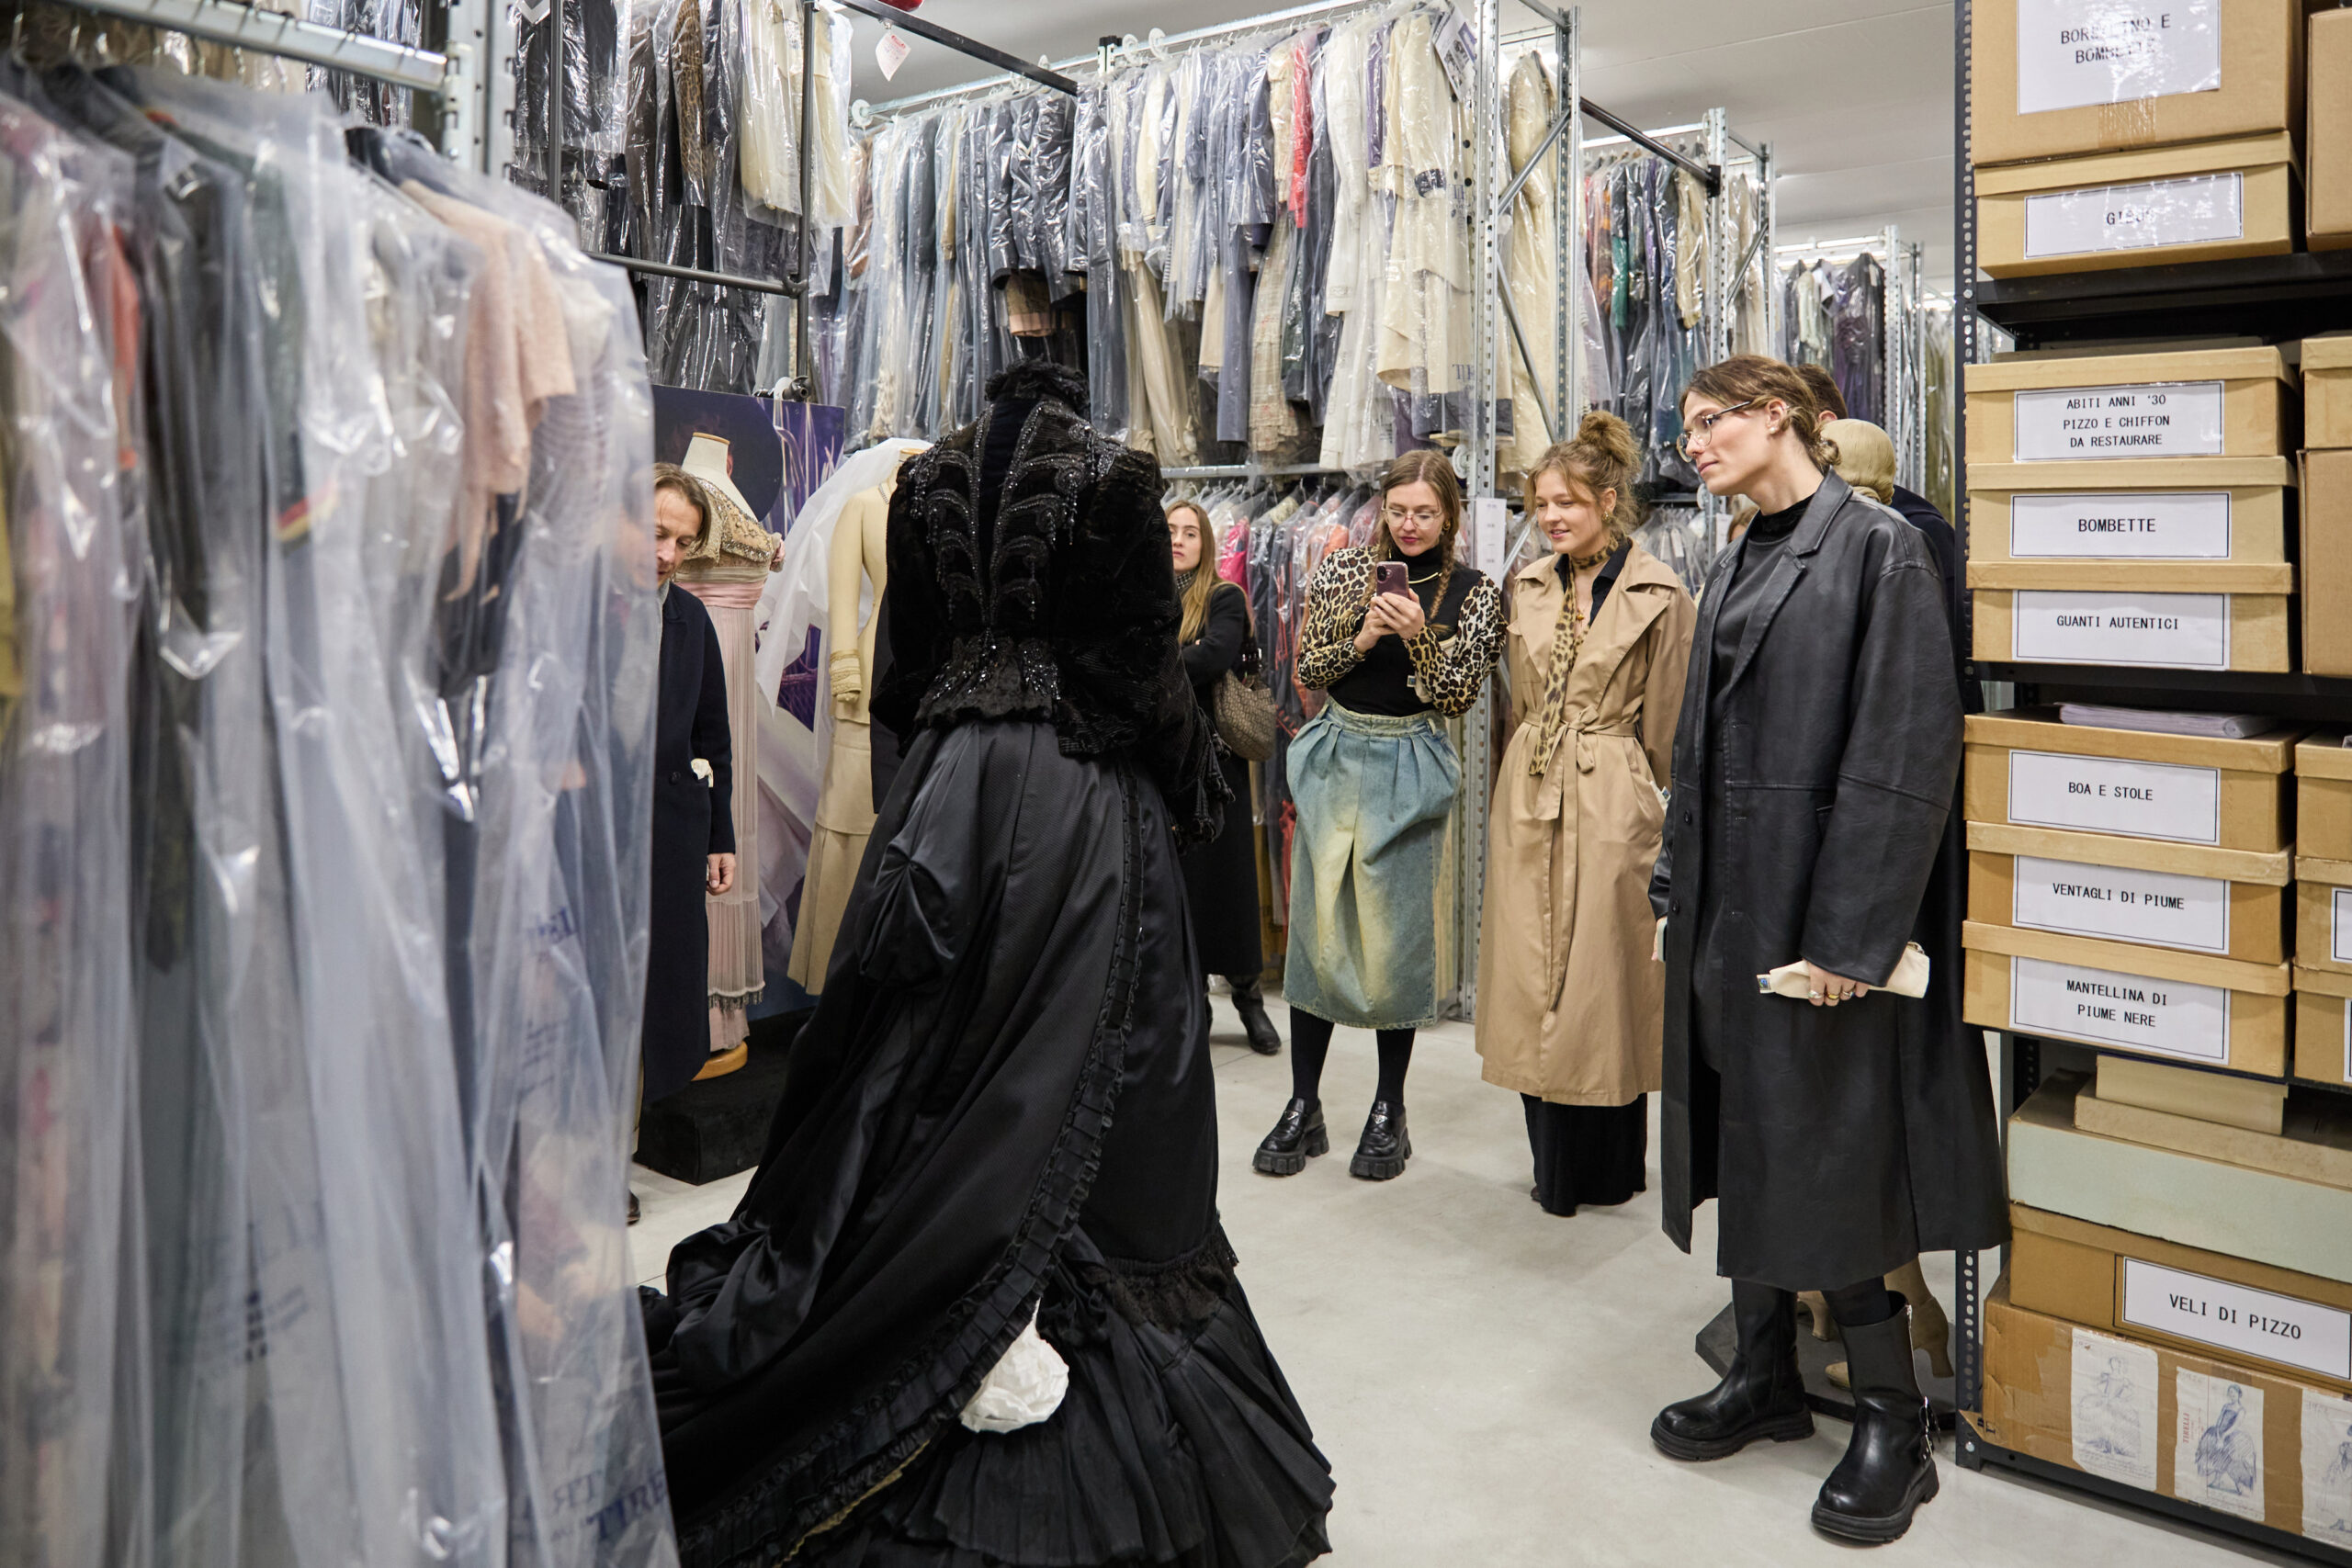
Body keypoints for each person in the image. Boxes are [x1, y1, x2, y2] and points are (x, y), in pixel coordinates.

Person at [641, 360, 1334, 1568]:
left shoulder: (928, 480)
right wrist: (1185, 786)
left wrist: (939, 770)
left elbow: (908, 664)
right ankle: (1032, 1310)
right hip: (1079, 796)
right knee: (1108, 1064)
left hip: (956, 785)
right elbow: (1134, 662)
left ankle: (963, 1281)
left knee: (927, 1052)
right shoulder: (1117, 477)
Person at [1646, 355, 2003, 1546]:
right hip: (1729, 911)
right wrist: (1673, 884)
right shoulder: (1741, 548)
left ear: (1779, 418)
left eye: (1711, 422)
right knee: (1749, 1130)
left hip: (1820, 926)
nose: (1692, 443)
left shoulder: (1878, 549)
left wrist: (1855, 931)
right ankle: (1763, 1370)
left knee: (1830, 1155)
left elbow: (1906, 752)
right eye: (1686, 427)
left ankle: (1894, 1421)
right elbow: (1698, 743)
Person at [1254, 450, 1506, 1182]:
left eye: (1426, 512)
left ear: (1450, 515)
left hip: (1410, 763)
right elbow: (1309, 671)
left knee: (1394, 940)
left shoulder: (1476, 592)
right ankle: (1305, 1102)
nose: (1410, 525)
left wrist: (1419, 632)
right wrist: (1365, 635)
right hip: (1336, 752)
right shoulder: (1341, 570)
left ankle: (1389, 1110)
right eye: (1398, 511)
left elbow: (1457, 695)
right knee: (1317, 932)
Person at [1476, 412, 1695, 1216]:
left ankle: (1606, 1166)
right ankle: (1551, 1165)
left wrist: (1658, 812)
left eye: (1568, 502)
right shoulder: (1527, 584)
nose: (1553, 518)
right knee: (1531, 972)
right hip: (1530, 786)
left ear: (1609, 501)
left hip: (1613, 792)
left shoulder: (1662, 593)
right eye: (1541, 506)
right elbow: (1514, 697)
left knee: (1603, 975)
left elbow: (1671, 723)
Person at [639, 467, 739, 1221]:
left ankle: (621, 1150)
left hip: (671, 834)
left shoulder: (692, 621)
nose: (668, 553)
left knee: (657, 1000)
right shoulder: (577, 608)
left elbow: (714, 735)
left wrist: (721, 835)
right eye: (657, 533)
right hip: (593, 840)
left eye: (683, 542)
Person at [1170, 497, 1283, 1055]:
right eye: (1171, 530)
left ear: (1206, 544)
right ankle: (1190, 1002)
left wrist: (1157, 659)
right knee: (1184, 887)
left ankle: (1249, 1000)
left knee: (1232, 883)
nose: (1180, 540)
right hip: (1171, 762)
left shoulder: (1225, 595)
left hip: (1222, 762)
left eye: (1191, 532)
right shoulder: (1148, 597)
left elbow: (1215, 656)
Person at [1795, 364, 1969, 701]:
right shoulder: (1795, 530)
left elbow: (1935, 678)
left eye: (1785, 428)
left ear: (1826, 428)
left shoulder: (1915, 533)